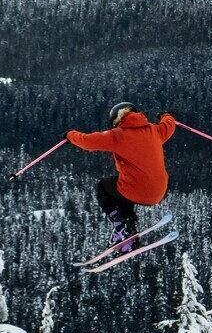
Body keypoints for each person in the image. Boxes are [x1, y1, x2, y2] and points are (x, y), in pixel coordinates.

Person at [64, 102, 176, 250]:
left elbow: (87, 142)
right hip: (159, 191)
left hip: (136, 190)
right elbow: (169, 125)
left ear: (116, 120)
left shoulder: (118, 135)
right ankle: (127, 232)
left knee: (104, 187)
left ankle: (122, 227)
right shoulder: (154, 130)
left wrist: (69, 135)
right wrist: (165, 115)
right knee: (122, 189)